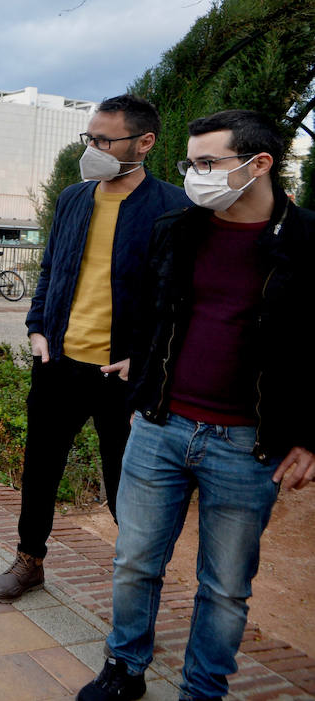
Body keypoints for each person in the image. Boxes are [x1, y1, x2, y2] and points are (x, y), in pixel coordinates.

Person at [76, 110, 315, 701]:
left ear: (259, 164)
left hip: (247, 444)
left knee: (226, 586)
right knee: (134, 561)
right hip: (161, 425)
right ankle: (124, 666)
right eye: (191, 162)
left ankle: (203, 690)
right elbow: (153, 311)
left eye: (209, 163)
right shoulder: (177, 228)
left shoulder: (309, 241)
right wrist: (141, 378)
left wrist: (309, 437)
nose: (195, 175)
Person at [0, 94, 188, 605]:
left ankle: (137, 589)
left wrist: (143, 360)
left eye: (105, 140)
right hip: (58, 364)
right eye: (89, 139)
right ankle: (29, 560)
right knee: (41, 468)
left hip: (124, 376)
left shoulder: (173, 209)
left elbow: (178, 298)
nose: (93, 149)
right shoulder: (75, 198)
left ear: (144, 143)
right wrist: (37, 327)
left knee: (128, 485)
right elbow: (51, 267)